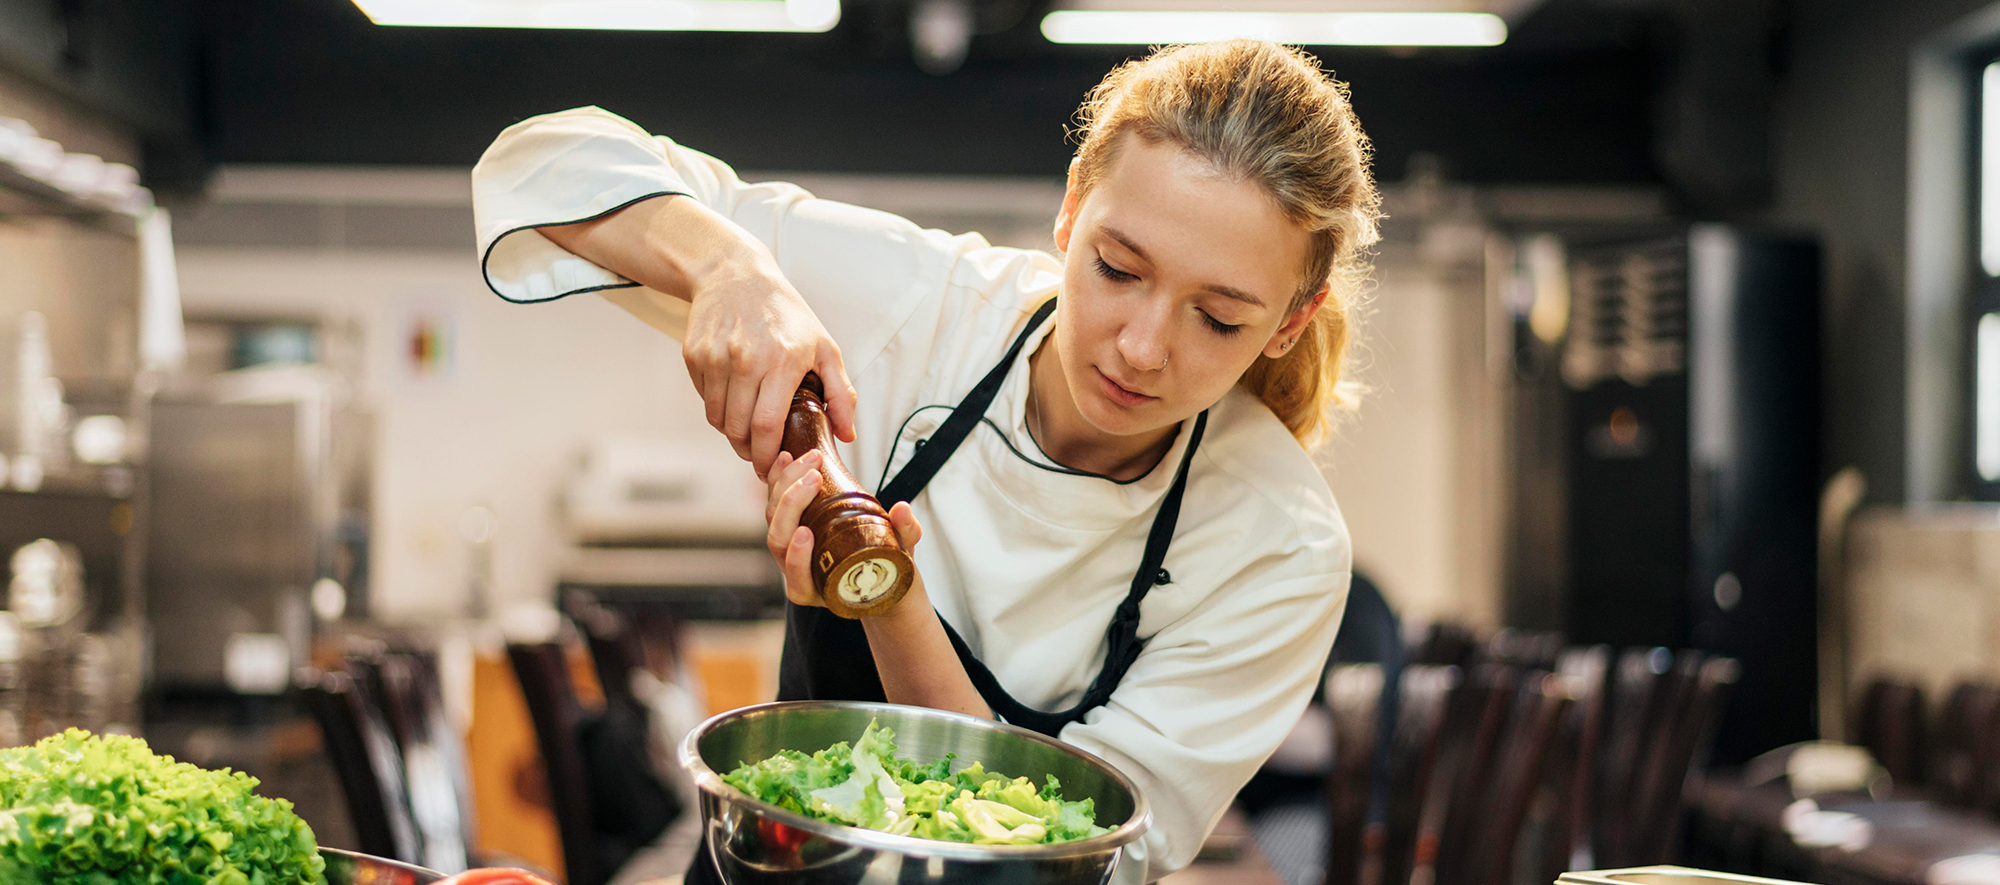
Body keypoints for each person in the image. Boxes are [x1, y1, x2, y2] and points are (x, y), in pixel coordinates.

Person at [471, 38, 1379, 883]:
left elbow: (1078, 855)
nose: (1142, 346)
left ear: (1290, 321)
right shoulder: (919, 305)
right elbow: (541, 158)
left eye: (1218, 318)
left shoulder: (1278, 542)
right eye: (1116, 267)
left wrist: (890, 597)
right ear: (1071, 209)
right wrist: (729, 268)